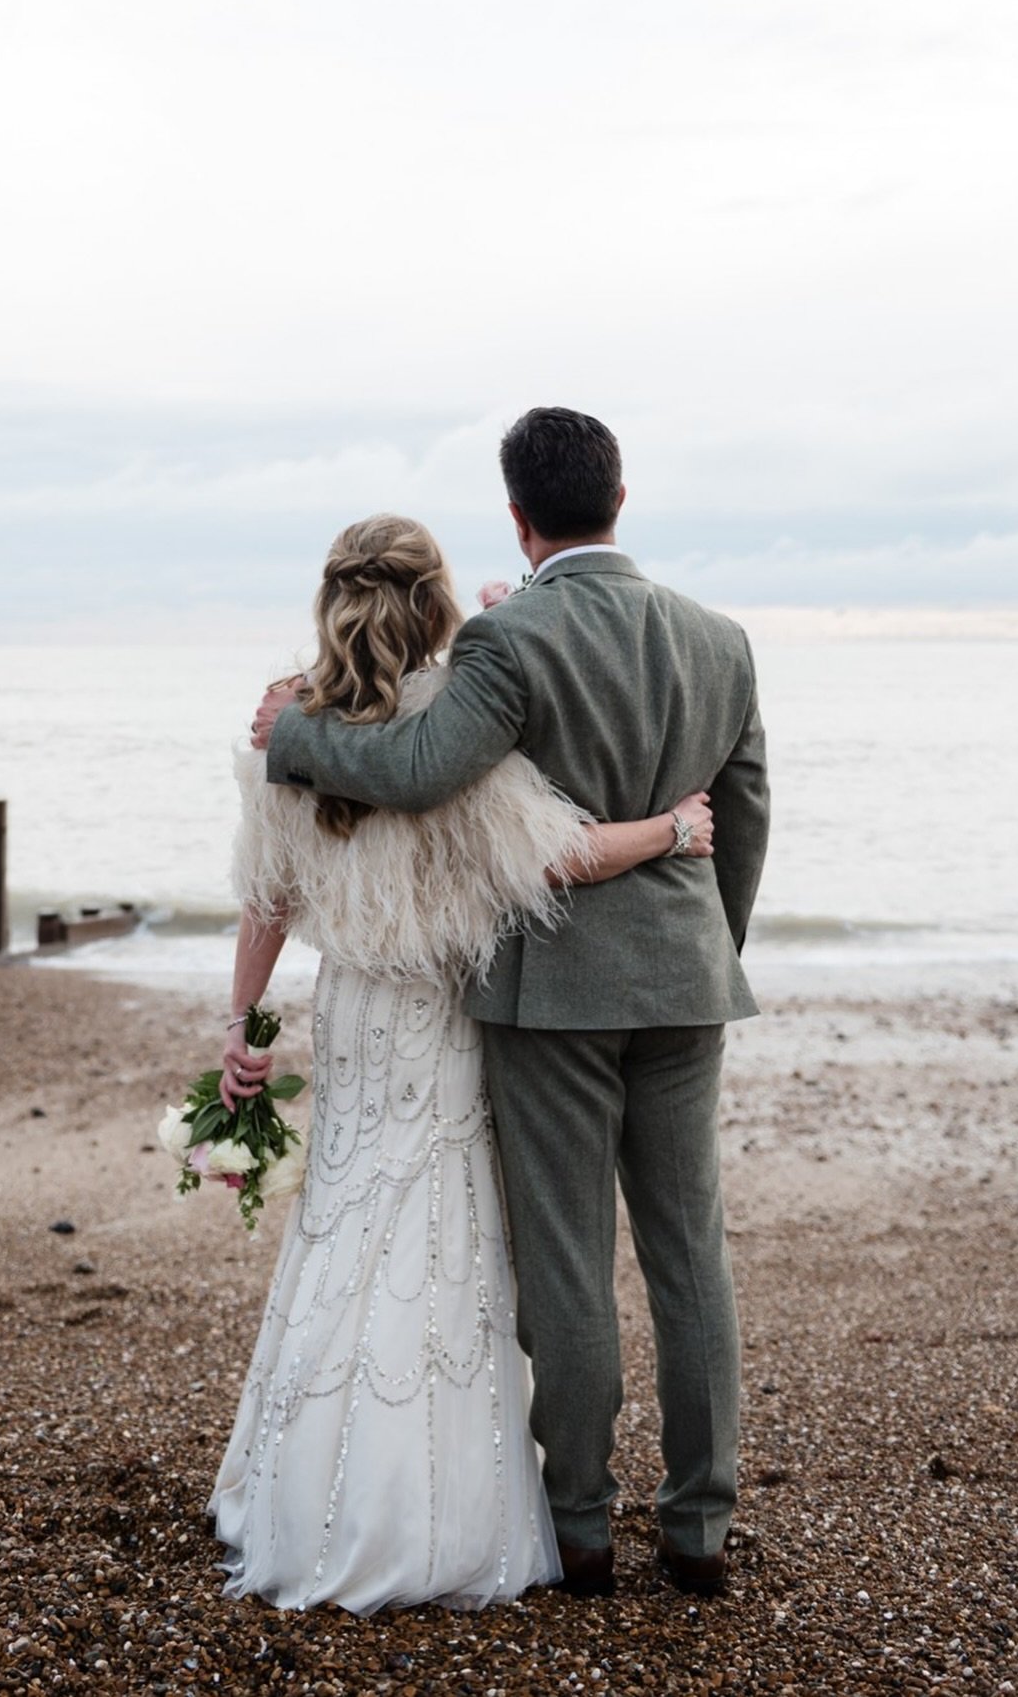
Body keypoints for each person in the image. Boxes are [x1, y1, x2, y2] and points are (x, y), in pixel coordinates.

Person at [252, 409, 770, 1600]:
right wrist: (704, 949)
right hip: (687, 985)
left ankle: (581, 1526)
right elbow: (742, 819)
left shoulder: (510, 638)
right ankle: (697, 1529)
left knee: (570, 1261)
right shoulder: (720, 638)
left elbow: (422, 775)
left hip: (555, 1000)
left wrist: (294, 742)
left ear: (518, 517)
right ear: (621, 498)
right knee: (691, 1254)